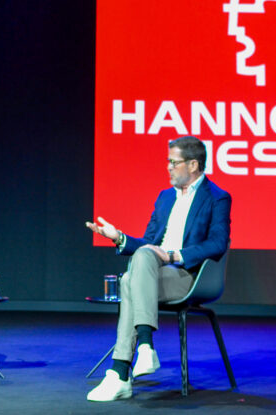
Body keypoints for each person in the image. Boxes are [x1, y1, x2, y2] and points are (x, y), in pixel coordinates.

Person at [85, 136, 231, 401]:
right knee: (137, 267)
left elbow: (218, 243)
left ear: (193, 165)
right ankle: (142, 350)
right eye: (168, 162)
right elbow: (148, 244)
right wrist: (119, 238)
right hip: (154, 271)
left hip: (189, 275)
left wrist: (174, 255)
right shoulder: (164, 198)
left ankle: (122, 371)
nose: (168, 167)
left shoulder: (217, 197)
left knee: (129, 280)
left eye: (174, 162)